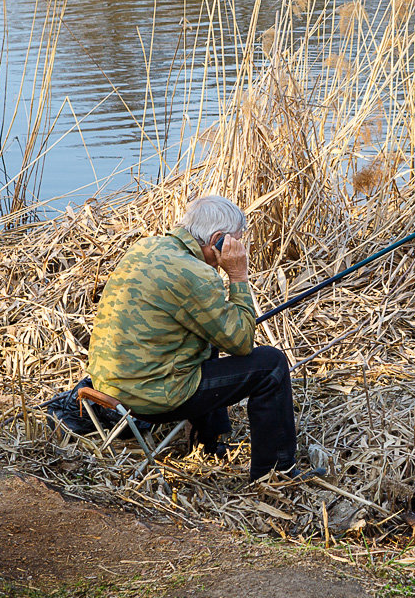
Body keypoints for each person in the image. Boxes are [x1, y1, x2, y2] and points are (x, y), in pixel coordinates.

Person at [87, 195, 299, 481]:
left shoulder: (146, 247)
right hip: (148, 398)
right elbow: (241, 342)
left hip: (107, 386)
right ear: (218, 240)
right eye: (237, 240)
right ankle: (276, 473)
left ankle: (208, 443)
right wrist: (238, 276)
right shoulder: (196, 273)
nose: (241, 247)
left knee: (207, 335)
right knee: (271, 365)